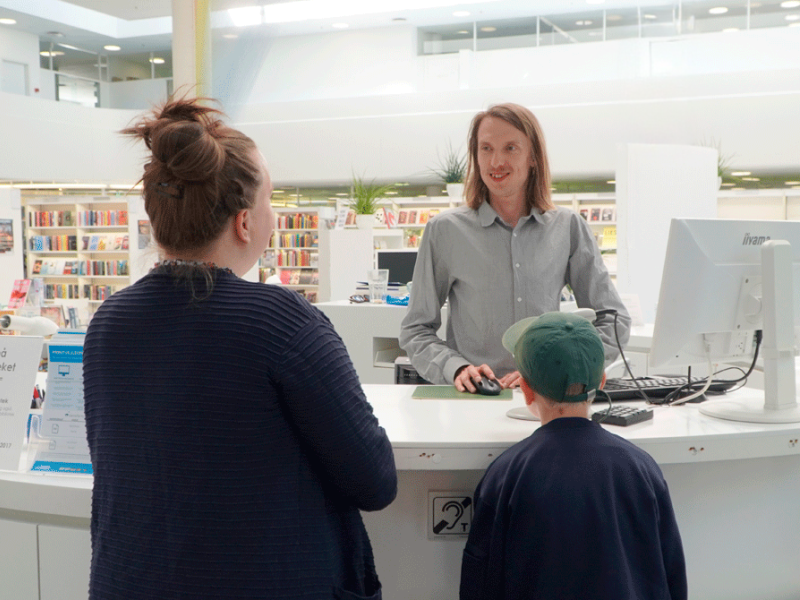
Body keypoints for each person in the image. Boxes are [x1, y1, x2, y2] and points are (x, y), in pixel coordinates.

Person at [83, 97, 397, 600]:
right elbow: (375, 480)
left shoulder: (108, 323)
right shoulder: (281, 321)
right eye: (271, 202)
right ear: (245, 222)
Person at [399, 103, 631, 392]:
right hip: (475, 401)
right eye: (486, 148)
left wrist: (561, 367)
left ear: (533, 157)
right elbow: (416, 329)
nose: (496, 162)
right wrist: (456, 368)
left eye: (510, 148)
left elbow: (613, 320)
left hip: (549, 401)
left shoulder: (568, 227)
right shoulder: (445, 231)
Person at [460, 311, 687, 600]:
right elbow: (671, 572)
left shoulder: (506, 474)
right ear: (602, 381)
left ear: (526, 390)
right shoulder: (642, 468)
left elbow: (481, 582)